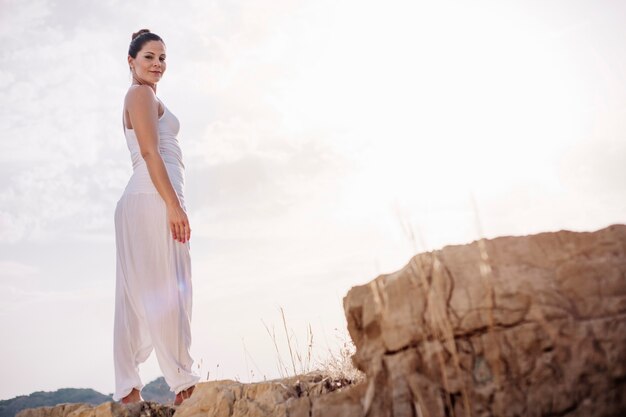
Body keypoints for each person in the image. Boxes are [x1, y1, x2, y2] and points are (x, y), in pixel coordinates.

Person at [112, 29, 200, 406]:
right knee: (171, 290)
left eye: (162, 58)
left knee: (139, 295)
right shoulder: (139, 93)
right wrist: (174, 206)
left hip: (149, 198)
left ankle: (130, 389)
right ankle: (183, 385)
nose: (158, 64)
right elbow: (150, 154)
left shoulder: (144, 95)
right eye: (149, 57)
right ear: (131, 61)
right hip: (153, 197)